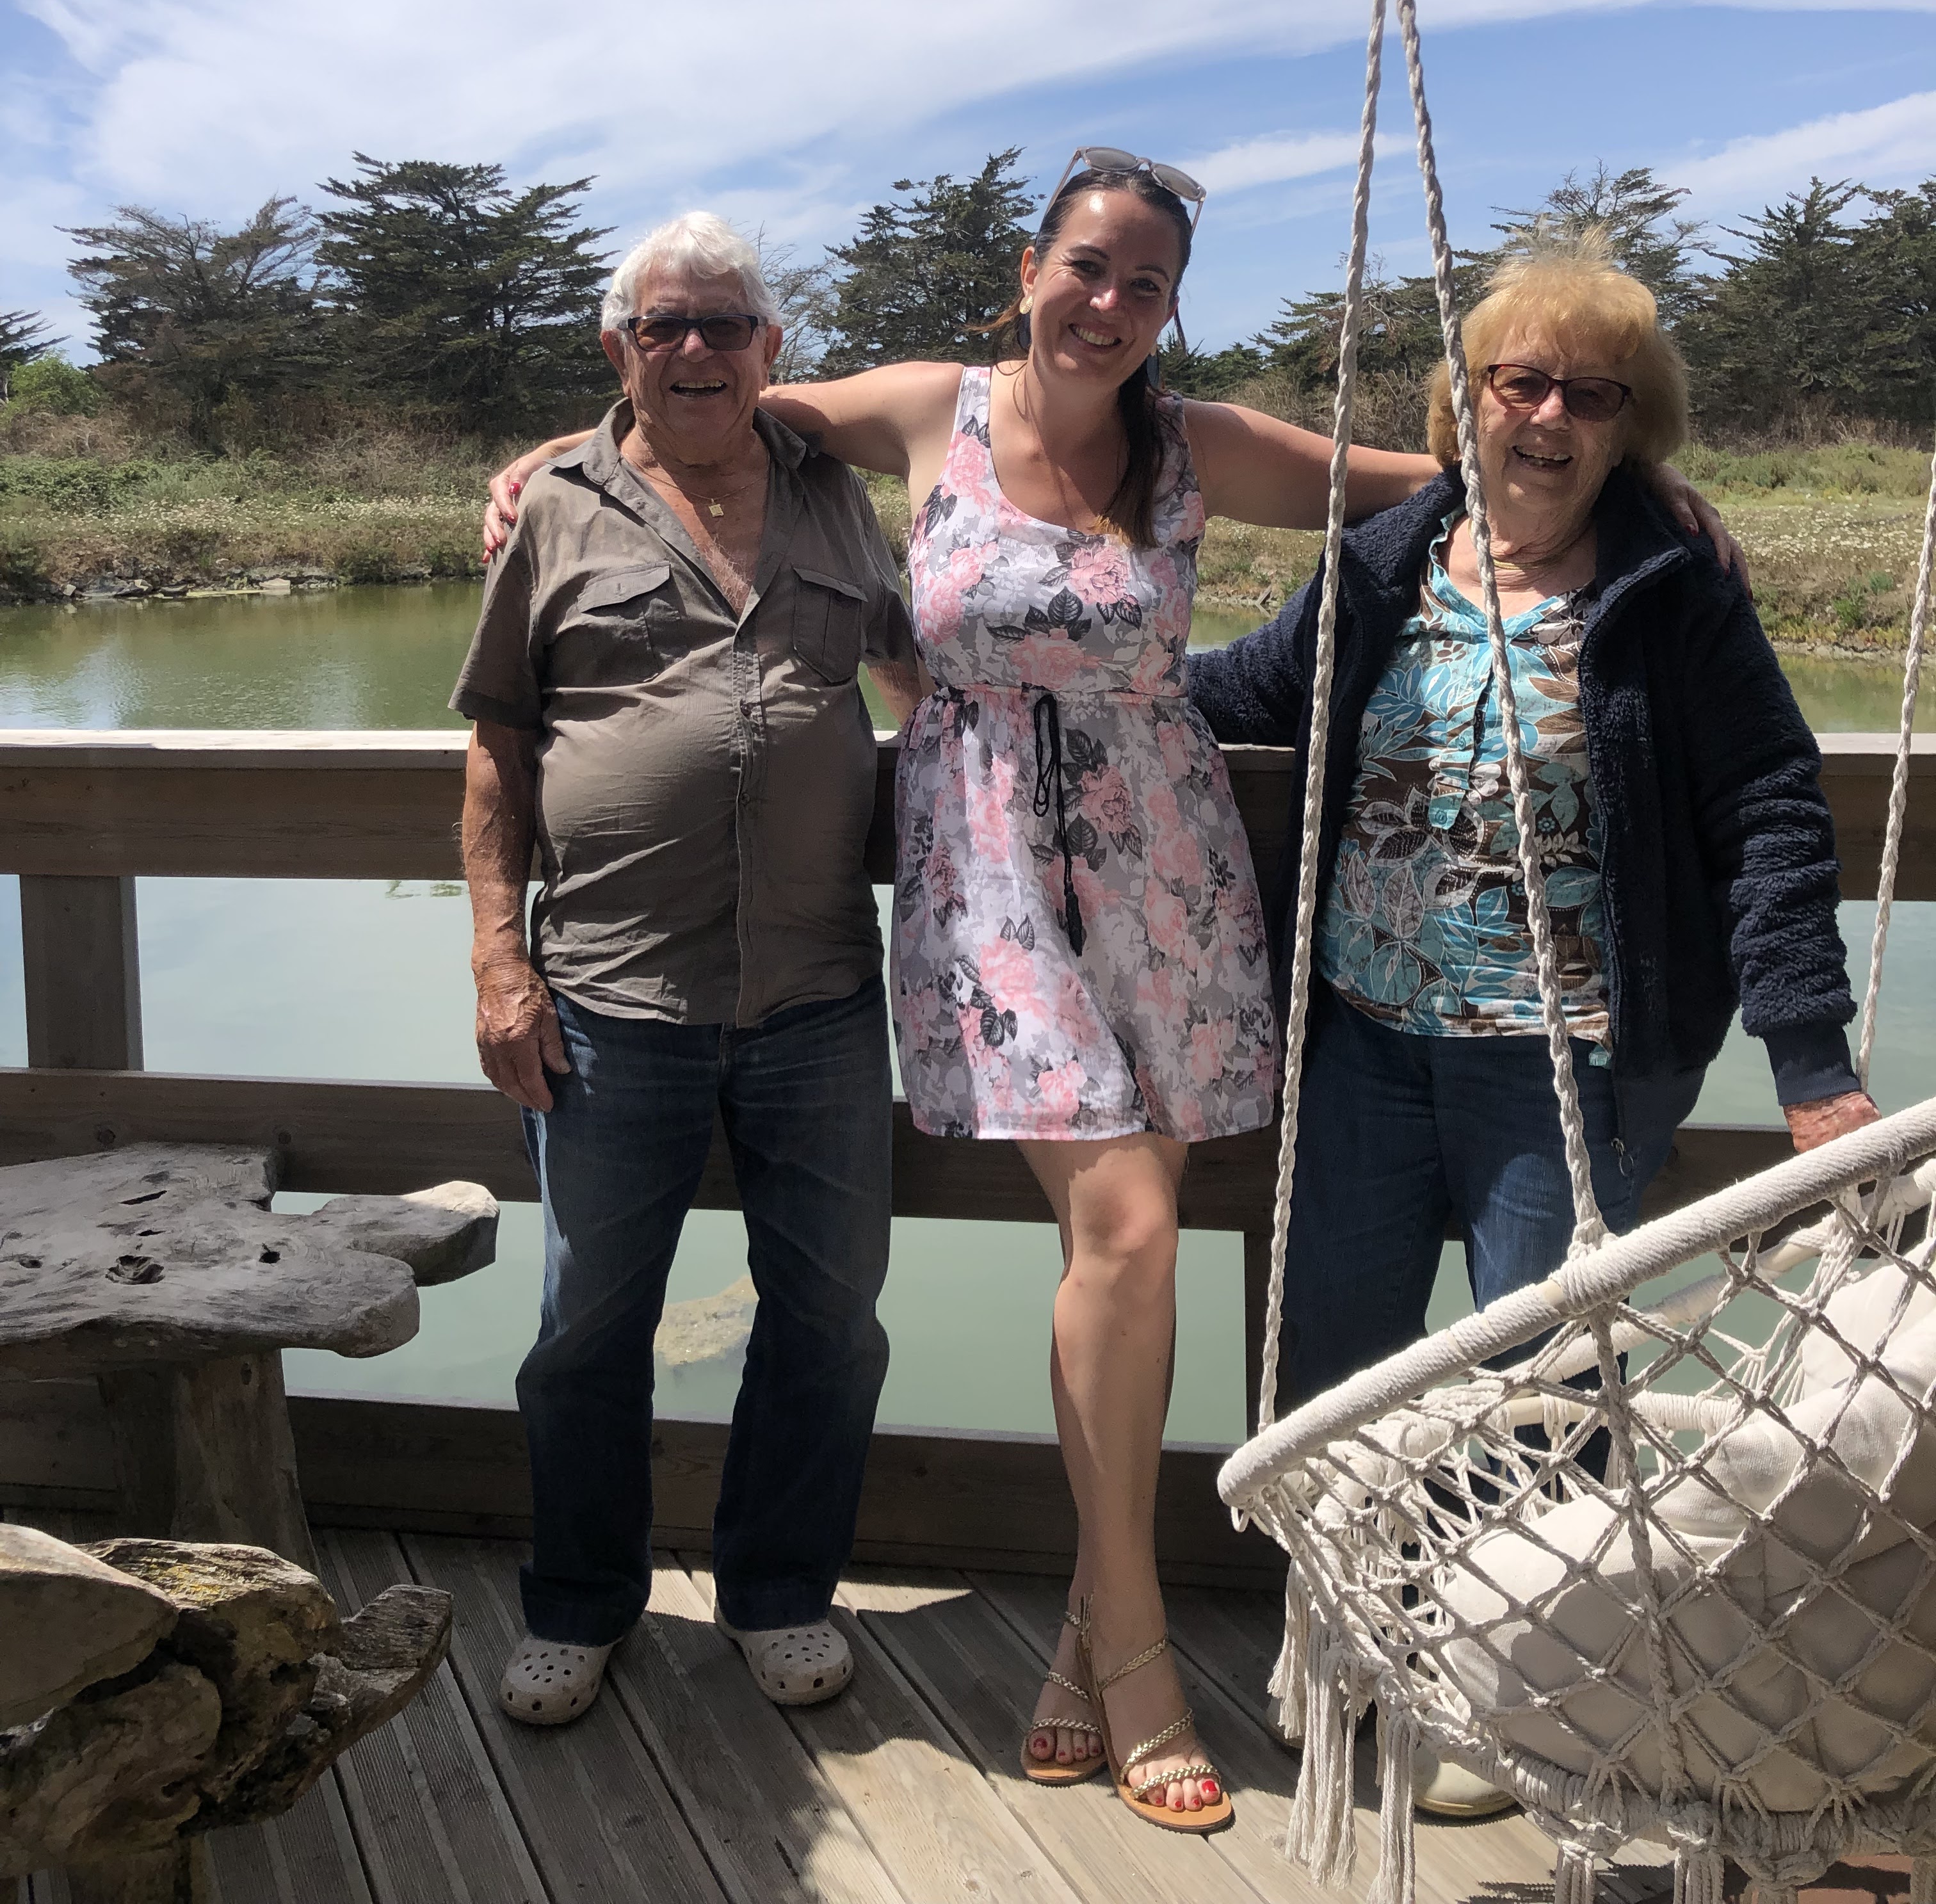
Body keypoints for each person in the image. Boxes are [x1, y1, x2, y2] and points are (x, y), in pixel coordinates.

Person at [485, 154, 1743, 1832]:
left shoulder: (1196, 444)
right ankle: (1143, 1654)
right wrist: (544, 463)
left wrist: (1650, 491)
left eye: (1146, 283)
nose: (1109, 303)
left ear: (1169, 307)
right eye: (1086, 267)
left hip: (1168, 874)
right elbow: (711, 399)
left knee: (1120, 1258)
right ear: (1030, 269)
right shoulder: (926, 408)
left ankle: (1089, 1628)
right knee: (1134, 1230)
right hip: (984, 875)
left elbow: (1453, 472)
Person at [1186, 236, 1878, 1816]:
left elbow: (1773, 810)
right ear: (1470, 400)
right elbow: (1246, 691)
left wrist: (1812, 1064)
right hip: (1362, 1046)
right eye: (1523, 382)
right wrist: (1062, 677)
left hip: (1571, 1066)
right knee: (1332, 1374)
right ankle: (1342, 1642)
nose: (1551, 416)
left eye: (1593, 394)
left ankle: (1513, 1689)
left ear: (1634, 429)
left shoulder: (1673, 591)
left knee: (1543, 1397)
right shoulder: (1384, 564)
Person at [454, 212, 923, 1731]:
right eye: (666, 326)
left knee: (831, 1322)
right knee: (588, 1329)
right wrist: (499, 962)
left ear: (772, 347)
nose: (698, 349)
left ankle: (778, 1592)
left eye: (727, 323)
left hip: (821, 996)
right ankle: (579, 1604)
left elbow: (917, 673)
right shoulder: (555, 508)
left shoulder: (838, 499)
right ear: (621, 349)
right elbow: (500, 744)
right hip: (609, 1000)